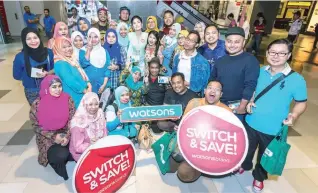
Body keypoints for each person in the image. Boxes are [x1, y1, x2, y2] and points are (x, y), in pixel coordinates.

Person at [240, 39, 307, 192]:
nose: (276, 56)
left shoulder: (297, 80)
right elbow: (253, 90)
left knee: (265, 156)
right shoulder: (260, 71)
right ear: (267, 53)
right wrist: (250, 100)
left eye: (281, 53)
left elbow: (301, 102)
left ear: (289, 55)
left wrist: (294, 115)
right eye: (272, 52)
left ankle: (258, 178)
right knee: (247, 148)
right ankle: (244, 165)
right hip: (251, 121)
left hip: (273, 128)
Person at [169, 80, 231, 182]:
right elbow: (185, 124)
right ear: (205, 91)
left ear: (221, 94)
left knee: (184, 173)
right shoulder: (194, 102)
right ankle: (186, 161)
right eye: (210, 88)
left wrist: (234, 160)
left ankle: (199, 168)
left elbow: (229, 140)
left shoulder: (226, 112)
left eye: (217, 90)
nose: (213, 91)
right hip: (188, 145)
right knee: (170, 167)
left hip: (206, 153)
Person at [30, 75, 75, 180]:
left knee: (82, 146)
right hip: (47, 136)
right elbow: (36, 127)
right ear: (46, 87)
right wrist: (54, 137)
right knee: (60, 155)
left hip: (65, 131)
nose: (58, 90)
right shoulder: (37, 104)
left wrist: (67, 136)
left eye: (60, 86)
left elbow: (72, 119)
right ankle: (57, 163)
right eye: (54, 87)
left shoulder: (67, 99)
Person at [211, 27, 260, 121]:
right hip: (219, 104)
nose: (232, 45)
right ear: (225, 42)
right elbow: (212, 80)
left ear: (243, 43)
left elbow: (250, 85)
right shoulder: (221, 61)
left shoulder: (250, 60)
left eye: (237, 42)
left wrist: (242, 107)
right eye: (229, 41)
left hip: (237, 107)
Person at [13, 28, 54, 105]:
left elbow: (53, 69)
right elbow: (16, 76)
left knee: (52, 111)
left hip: (50, 87)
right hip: (32, 91)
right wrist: (30, 74)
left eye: (35, 37)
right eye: (28, 39)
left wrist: (48, 73)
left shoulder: (49, 52)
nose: (33, 41)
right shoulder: (20, 57)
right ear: (24, 40)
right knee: (38, 113)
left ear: (39, 38)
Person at [53, 37, 91, 108]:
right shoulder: (61, 63)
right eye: (64, 47)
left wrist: (88, 83)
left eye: (69, 46)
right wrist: (85, 91)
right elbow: (70, 80)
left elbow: (81, 73)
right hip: (75, 97)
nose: (68, 49)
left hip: (81, 94)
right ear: (57, 48)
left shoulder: (71, 59)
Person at [70, 92, 107, 161]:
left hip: (99, 147)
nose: (94, 107)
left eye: (96, 104)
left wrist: (102, 142)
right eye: (90, 104)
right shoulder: (78, 122)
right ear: (85, 104)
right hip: (83, 153)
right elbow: (77, 147)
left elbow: (104, 130)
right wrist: (91, 144)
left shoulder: (99, 113)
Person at [172, 30, 210, 95]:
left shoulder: (202, 62)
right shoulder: (177, 57)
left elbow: (203, 83)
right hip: (177, 92)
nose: (188, 42)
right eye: (187, 39)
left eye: (192, 41)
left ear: (196, 44)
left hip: (193, 93)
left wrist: (188, 83)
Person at [79, 28, 110, 94]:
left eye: (95, 37)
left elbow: (107, 69)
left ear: (99, 38)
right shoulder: (83, 50)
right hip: (89, 86)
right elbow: (83, 64)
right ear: (87, 38)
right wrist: (89, 50)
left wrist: (104, 85)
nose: (92, 39)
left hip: (102, 86)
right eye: (90, 37)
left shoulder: (104, 51)